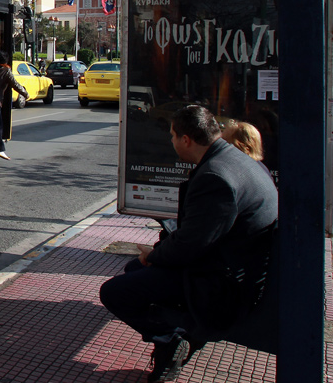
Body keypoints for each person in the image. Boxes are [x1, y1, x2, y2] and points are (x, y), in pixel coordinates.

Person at [99, 105, 277, 382]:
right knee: (134, 270)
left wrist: (153, 256)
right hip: (239, 267)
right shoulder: (238, 160)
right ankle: (172, 342)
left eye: (172, 136)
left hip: (224, 286)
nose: (170, 142)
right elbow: (200, 235)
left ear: (186, 139)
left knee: (114, 292)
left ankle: (175, 337)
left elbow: (189, 246)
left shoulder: (215, 177)